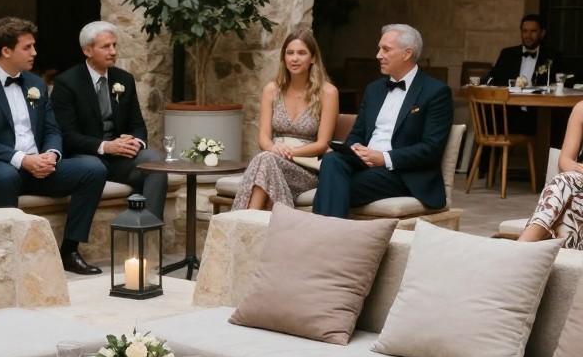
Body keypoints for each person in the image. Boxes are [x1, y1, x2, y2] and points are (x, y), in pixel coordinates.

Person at [0, 17, 108, 274]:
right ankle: (5, 258)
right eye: (27, 47)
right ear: (6, 51)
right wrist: (23, 160)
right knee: (5, 176)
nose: (34, 53)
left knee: (93, 168)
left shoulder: (36, 84)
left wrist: (52, 154)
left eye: (33, 46)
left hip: (37, 166)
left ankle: (69, 250)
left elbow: (51, 129)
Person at [312, 24, 453, 218]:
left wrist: (383, 158)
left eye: (386, 49)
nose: (378, 55)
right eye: (379, 49)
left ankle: (322, 237)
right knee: (332, 159)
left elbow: (431, 148)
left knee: (333, 186)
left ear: (407, 53)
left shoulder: (435, 92)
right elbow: (356, 134)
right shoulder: (374, 89)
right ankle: (333, 238)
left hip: (402, 173)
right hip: (364, 164)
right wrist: (355, 150)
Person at [51, 20, 167, 217]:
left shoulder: (124, 79)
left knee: (154, 160)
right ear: (87, 51)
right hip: (86, 156)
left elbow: (138, 125)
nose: (113, 51)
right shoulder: (67, 83)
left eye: (114, 45)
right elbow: (67, 135)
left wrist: (133, 143)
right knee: (94, 166)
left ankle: (148, 228)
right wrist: (105, 146)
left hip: (120, 159)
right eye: (106, 46)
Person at [233, 29, 339, 211]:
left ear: (313, 58)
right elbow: (263, 138)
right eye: (289, 53)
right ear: (283, 58)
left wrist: (291, 152)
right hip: (274, 159)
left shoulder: (327, 92)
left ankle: (245, 222)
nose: (294, 58)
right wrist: (273, 148)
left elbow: (322, 144)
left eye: (301, 53)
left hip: (306, 169)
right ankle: (252, 221)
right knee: (266, 159)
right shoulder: (271, 90)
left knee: (264, 161)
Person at [518, 100, 583, 249]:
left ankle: (522, 246)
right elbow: (565, 160)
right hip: (579, 185)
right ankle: (525, 245)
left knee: (564, 218)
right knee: (564, 181)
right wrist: (577, 169)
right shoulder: (581, 109)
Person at [487, 15, 564, 94]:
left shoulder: (552, 55)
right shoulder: (507, 54)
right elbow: (493, 79)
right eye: (525, 31)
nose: (528, 36)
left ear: (542, 33)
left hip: (539, 103)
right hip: (511, 103)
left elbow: (560, 83)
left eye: (533, 31)